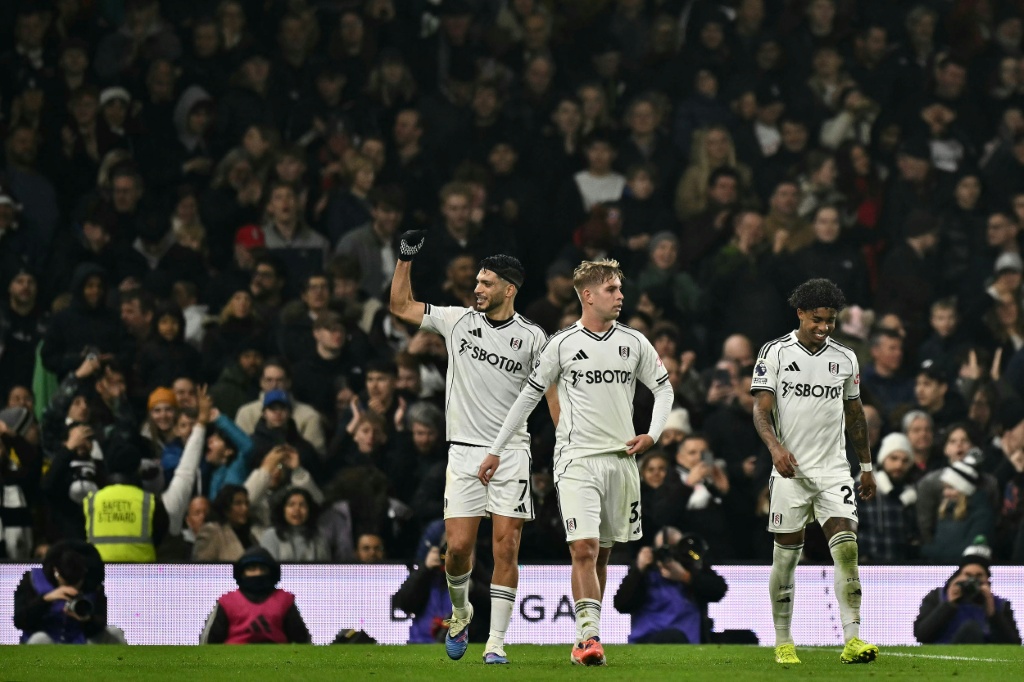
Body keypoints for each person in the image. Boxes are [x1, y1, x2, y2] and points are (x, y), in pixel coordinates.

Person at [481, 259, 674, 666]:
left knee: (602, 554)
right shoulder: (562, 344)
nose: (620, 296)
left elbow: (663, 389)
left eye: (620, 289)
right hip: (576, 461)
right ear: (587, 295)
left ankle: (583, 637)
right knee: (582, 548)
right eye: (612, 290)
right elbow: (529, 397)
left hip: (620, 462)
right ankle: (590, 638)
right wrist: (497, 449)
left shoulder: (635, 342)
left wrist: (652, 434)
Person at [390, 229, 551, 665]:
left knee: (506, 545)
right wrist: (405, 258)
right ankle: (461, 612)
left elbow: (550, 393)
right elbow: (400, 306)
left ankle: (496, 641)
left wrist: (564, 443)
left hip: (512, 452)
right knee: (458, 548)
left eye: (485, 283)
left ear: (508, 289)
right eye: (476, 282)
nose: (476, 289)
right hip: (462, 451)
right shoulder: (457, 320)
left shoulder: (534, 338)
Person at [751, 278, 879, 665]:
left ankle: (853, 639)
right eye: (817, 320)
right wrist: (775, 449)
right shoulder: (774, 353)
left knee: (847, 549)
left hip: (834, 471)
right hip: (791, 474)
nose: (824, 328)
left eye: (831, 321)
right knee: (786, 558)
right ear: (801, 314)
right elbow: (761, 409)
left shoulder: (845, 358)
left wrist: (867, 467)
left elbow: (854, 415)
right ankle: (784, 640)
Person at [613, 527, 728, 644]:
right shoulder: (646, 573)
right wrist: (639, 570)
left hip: (687, 643)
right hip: (647, 641)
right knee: (670, 637)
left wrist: (686, 577)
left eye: (677, 549)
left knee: (674, 637)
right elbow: (621, 605)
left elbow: (719, 589)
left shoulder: (692, 566)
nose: (671, 555)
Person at [14, 540, 126, 644]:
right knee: (40, 639)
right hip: (48, 640)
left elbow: (100, 624)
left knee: (116, 632)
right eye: (67, 582)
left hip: (82, 641)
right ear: (56, 572)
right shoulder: (33, 580)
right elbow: (19, 621)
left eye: (76, 582)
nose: (71, 588)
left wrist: (86, 619)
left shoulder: (93, 585)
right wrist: (45, 600)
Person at [913, 541, 1021, 644]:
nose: (972, 581)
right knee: (970, 629)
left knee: (972, 629)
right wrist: (948, 605)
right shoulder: (937, 597)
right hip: (945, 653)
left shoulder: (999, 604)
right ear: (958, 576)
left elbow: (1014, 645)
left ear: (987, 579)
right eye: (968, 575)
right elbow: (921, 635)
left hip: (983, 656)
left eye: (979, 576)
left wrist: (992, 613)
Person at [199, 546, 311, 644]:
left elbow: (302, 640)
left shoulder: (285, 600)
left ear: (271, 572)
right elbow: (208, 642)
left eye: (262, 569)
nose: (257, 573)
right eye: (251, 569)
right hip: (233, 661)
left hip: (277, 661)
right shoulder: (227, 601)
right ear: (242, 573)